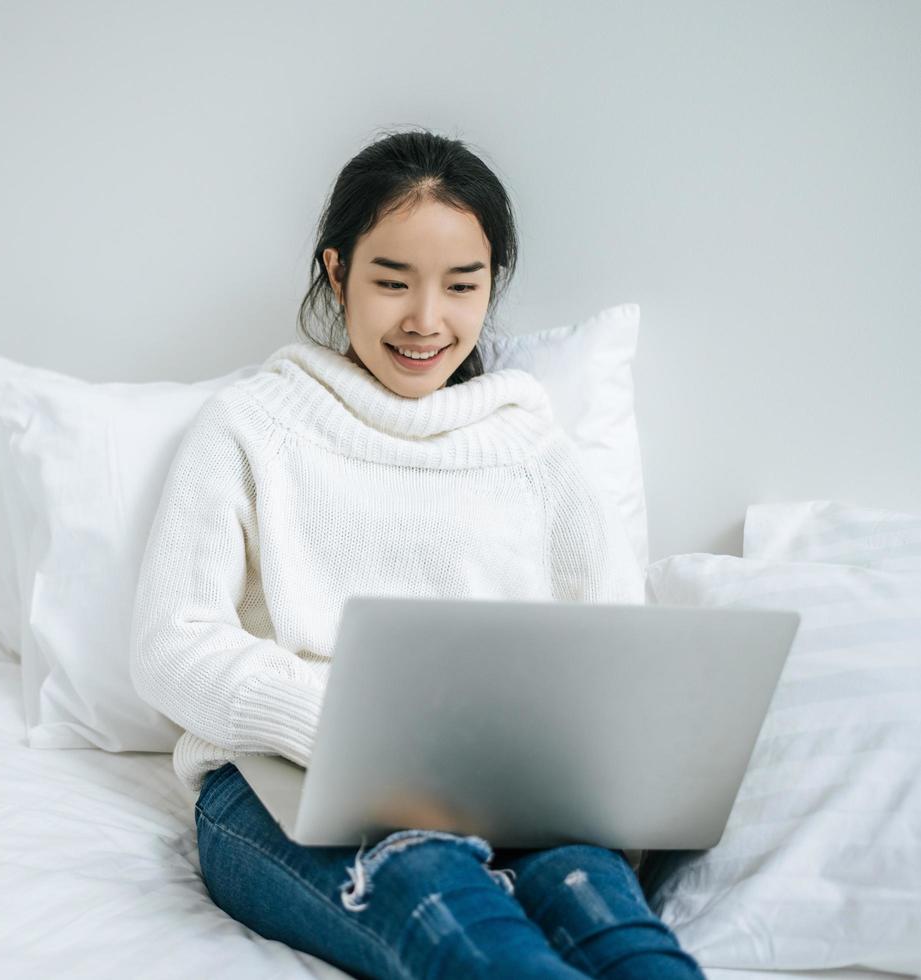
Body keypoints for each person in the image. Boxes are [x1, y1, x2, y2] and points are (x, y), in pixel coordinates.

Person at [128, 128, 706, 979]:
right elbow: (169, 642)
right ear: (336, 274)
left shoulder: (534, 449)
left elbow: (615, 659)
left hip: (518, 795)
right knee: (456, 921)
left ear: (490, 287)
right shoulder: (251, 424)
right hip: (287, 783)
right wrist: (335, 730)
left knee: (618, 934)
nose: (425, 321)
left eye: (460, 286)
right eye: (391, 282)